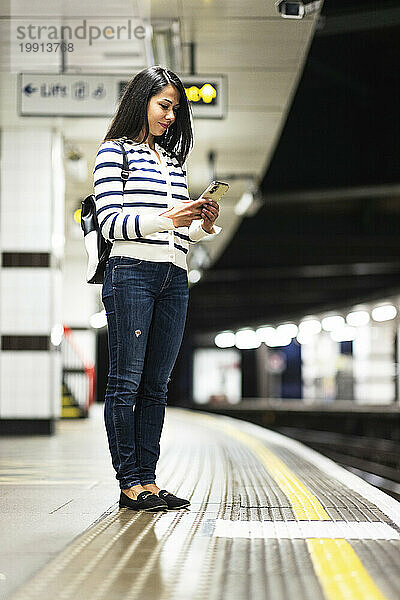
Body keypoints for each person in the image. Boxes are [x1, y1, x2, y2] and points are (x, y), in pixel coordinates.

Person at [94, 65, 222, 512]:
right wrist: (169, 217)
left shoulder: (173, 164)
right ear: (141, 101)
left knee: (155, 387)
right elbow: (111, 224)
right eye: (163, 105)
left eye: (175, 109)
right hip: (131, 272)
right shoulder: (114, 153)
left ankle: (149, 481)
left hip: (174, 276)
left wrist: (202, 224)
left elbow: (178, 235)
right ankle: (129, 482)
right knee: (125, 383)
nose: (170, 116)